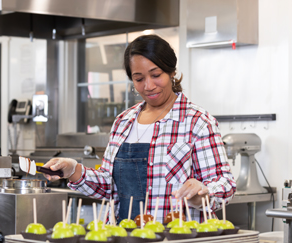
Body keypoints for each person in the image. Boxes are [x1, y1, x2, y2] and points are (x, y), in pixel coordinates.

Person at [43, 35, 236, 223]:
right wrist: (72, 170)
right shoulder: (123, 122)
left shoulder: (197, 122)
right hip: (123, 235)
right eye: (139, 78)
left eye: (156, 75)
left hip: (175, 238)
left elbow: (225, 184)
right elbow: (108, 186)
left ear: (171, 72)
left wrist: (203, 194)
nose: (149, 86)